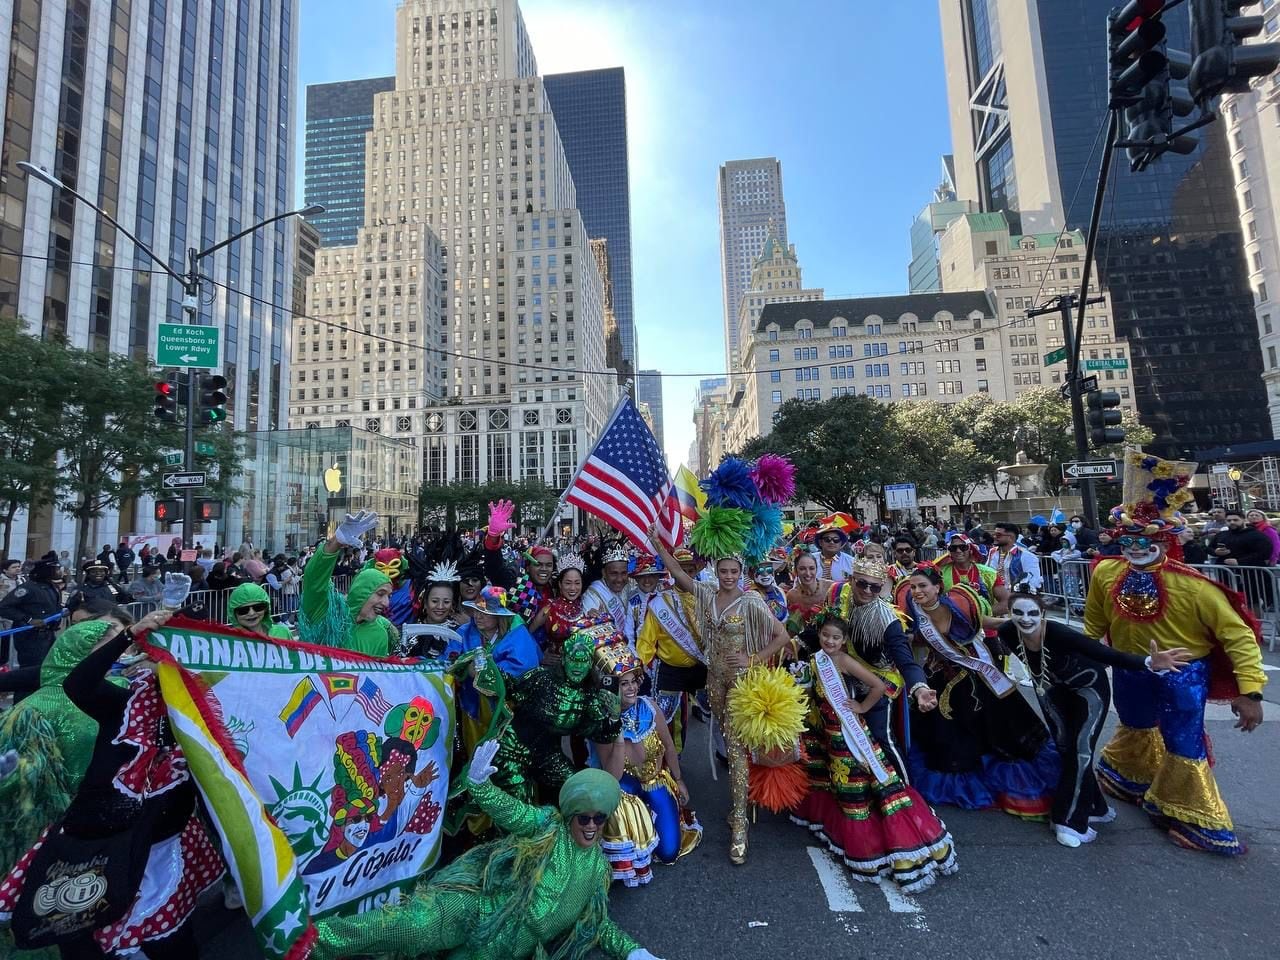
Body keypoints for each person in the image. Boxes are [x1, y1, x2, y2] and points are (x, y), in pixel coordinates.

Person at [1, 583, 226, 959]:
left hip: (159, 849)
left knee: (168, 941)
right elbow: (78, 683)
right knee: (79, 938)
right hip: (88, 846)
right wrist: (128, 636)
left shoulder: (202, 720)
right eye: (159, 655)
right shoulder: (123, 705)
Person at [311, 741, 662, 960]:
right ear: (569, 815)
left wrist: (634, 952)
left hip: (507, 947)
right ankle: (313, 943)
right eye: (583, 817)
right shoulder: (547, 826)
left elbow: (597, 922)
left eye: (599, 819)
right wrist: (480, 784)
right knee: (408, 926)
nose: (590, 825)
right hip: (478, 906)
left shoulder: (599, 869)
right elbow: (511, 811)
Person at [1086, 451, 1267, 855]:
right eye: (1128, 539)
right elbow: (1094, 624)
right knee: (1135, 724)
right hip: (1130, 667)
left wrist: (1250, 691)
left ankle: (1189, 811)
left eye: (1145, 540)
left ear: (1165, 539)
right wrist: (1079, 659)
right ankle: (1130, 777)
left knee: (1184, 742)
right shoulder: (1105, 572)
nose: (1134, 547)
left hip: (1183, 675)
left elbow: (1238, 636)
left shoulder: (1195, 587)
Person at [646, 526, 794, 864]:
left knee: (738, 751)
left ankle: (740, 824)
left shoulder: (751, 601)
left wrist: (751, 658)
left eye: (734, 571)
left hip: (742, 685)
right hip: (715, 682)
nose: (728, 576)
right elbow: (680, 575)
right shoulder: (708, 594)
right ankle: (742, 804)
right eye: (724, 570)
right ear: (718, 571)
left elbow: (781, 635)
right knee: (729, 743)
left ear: (742, 573)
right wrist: (657, 543)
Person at [999, 589, 1192, 848]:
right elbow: (989, 624)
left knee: (1081, 751)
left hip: (1088, 691)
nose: (1025, 619)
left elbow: (1103, 653)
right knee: (1066, 750)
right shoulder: (1008, 632)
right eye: (1018, 613)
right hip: (1051, 692)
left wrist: (1147, 661)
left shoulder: (1058, 633)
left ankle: (1069, 821)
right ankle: (1094, 806)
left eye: (1033, 613)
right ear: (1010, 614)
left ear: (1042, 614)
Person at [792, 615, 957, 892]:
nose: (830, 641)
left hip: (849, 734)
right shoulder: (815, 660)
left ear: (844, 641)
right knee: (836, 783)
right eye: (825, 636)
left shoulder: (844, 661)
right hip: (826, 733)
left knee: (860, 786)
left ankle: (878, 844)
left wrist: (861, 707)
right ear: (819, 635)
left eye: (835, 638)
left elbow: (879, 686)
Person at [896, 567, 1057, 819]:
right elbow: (911, 641)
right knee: (947, 731)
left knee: (998, 725)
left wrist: (1013, 622)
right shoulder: (911, 613)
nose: (917, 591)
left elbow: (981, 621)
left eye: (923, 586)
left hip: (977, 671)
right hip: (941, 673)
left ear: (937, 587)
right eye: (914, 587)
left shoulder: (958, 604)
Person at [596, 651, 700, 886]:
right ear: (612, 688)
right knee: (621, 792)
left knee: (669, 852)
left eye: (634, 681)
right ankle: (636, 842)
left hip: (655, 780)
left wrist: (679, 779)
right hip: (626, 787)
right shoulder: (602, 721)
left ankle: (654, 828)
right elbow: (611, 776)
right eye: (624, 684)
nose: (632, 688)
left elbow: (669, 747)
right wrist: (618, 736)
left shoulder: (650, 708)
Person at [827, 557, 935, 776]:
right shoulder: (838, 594)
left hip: (879, 683)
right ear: (851, 579)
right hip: (846, 677)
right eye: (862, 584)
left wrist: (920, 688)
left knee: (881, 737)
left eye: (875, 587)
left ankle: (904, 790)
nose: (867, 591)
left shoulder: (887, 619)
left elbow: (905, 659)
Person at [634, 551, 705, 754]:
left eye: (690, 570)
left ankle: (725, 754)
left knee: (718, 713)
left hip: (702, 667)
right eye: (682, 570)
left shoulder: (706, 596)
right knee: (667, 718)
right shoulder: (659, 603)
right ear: (674, 573)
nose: (686, 574)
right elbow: (647, 640)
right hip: (671, 670)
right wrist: (640, 668)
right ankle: (671, 760)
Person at [299, 510, 397, 656]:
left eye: (388, 596)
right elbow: (314, 579)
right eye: (380, 594)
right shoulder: (326, 613)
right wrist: (336, 542)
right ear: (361, 593)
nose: (386, 603)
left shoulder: (380, 634)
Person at [0, 558, 64, 674]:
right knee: (30, 671)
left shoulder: (52, 586)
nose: (59, 571)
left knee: (46, 669)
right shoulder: (27, 588)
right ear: (46, 570)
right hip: (30, 637)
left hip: (48, 635)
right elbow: (4, 607)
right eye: (56, 569)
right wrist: (28, 619)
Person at [528, 552, 592, 666]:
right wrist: (540, 656)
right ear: (560, 584)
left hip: (581, 669)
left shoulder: (585, 606)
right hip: (555, 670)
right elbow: (527, 635)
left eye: (577, 583)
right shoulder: (550, 607)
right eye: (568, 583)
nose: (573, 588)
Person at [582, 543, 637, 640]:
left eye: (623, 573)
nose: (619, 579)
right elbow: (592, 633)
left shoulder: (629, 585)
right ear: (604, 573)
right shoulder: (593, 594)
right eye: (614, 573)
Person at [228, 580, 293, 639]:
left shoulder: (283, 633)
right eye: (243, 610)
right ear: (233, 613)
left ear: (266, 608)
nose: (251, 613)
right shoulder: (229, 642)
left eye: (258, 607)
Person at [990, 521, 1042, 594]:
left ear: (1010, 537)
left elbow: (1033, 581)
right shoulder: (993, 552)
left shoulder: (1026, 556)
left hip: (1016, 600)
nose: (994, 537)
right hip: (995, 597)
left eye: (998, 535)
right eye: (994, 534)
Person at [811, 513, 858, 584]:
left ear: (841, 543)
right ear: (820, 542)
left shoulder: (851, 562)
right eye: (827, 539)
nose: (832, 542)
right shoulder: (810, 560)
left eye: (836, 540)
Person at [68, 560, 133, 609]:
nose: (98, 573)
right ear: (88, 574)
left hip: (110, 621)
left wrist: (113, 583)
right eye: (94, 572)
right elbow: (70, 607)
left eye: (101, 571)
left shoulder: (113, 588)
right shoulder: (80, 589)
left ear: (105, 573)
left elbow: (127, 600)